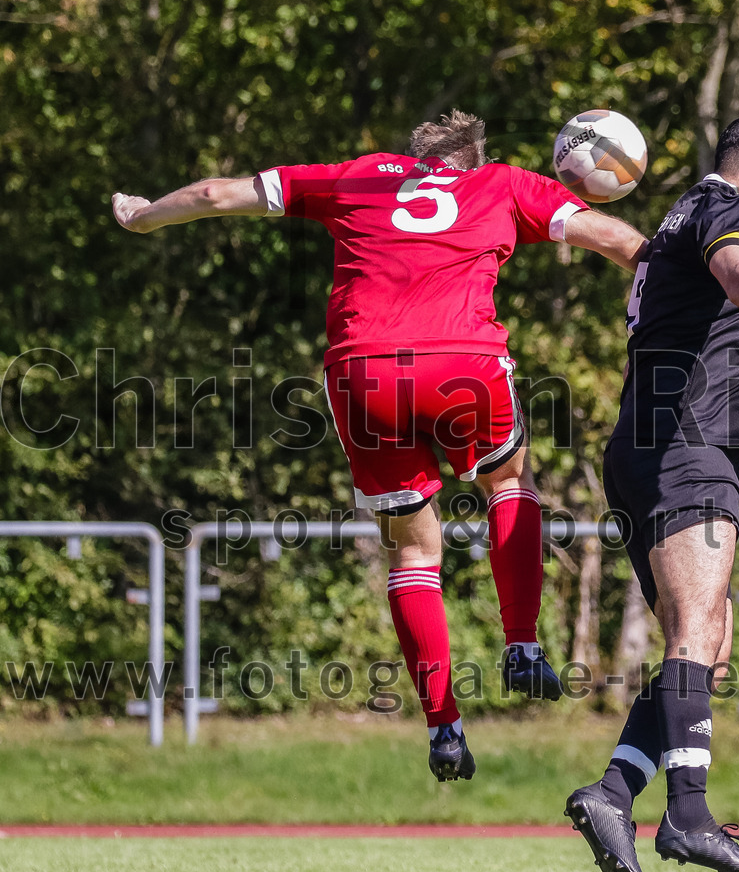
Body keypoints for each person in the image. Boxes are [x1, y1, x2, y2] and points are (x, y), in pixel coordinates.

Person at [112, 111, 648, 783]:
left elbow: (217, 194)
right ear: (473, 160)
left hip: (364, 373)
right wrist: (696, 279)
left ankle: (443, 727)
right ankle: (521, 644)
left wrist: (143, 217)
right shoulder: (503, 183)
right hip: (464, 366)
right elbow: (617, 240)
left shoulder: (357, 177)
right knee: (509, 484)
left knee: (414, 551)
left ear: (414, 155)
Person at [564, 111, 739, 872]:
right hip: (687, 443)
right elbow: (738, 273)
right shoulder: (722, 206)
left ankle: (613, 793)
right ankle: (687, 812)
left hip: (654, 446)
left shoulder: (678, 218)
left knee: (708, 644)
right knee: (696, 629)